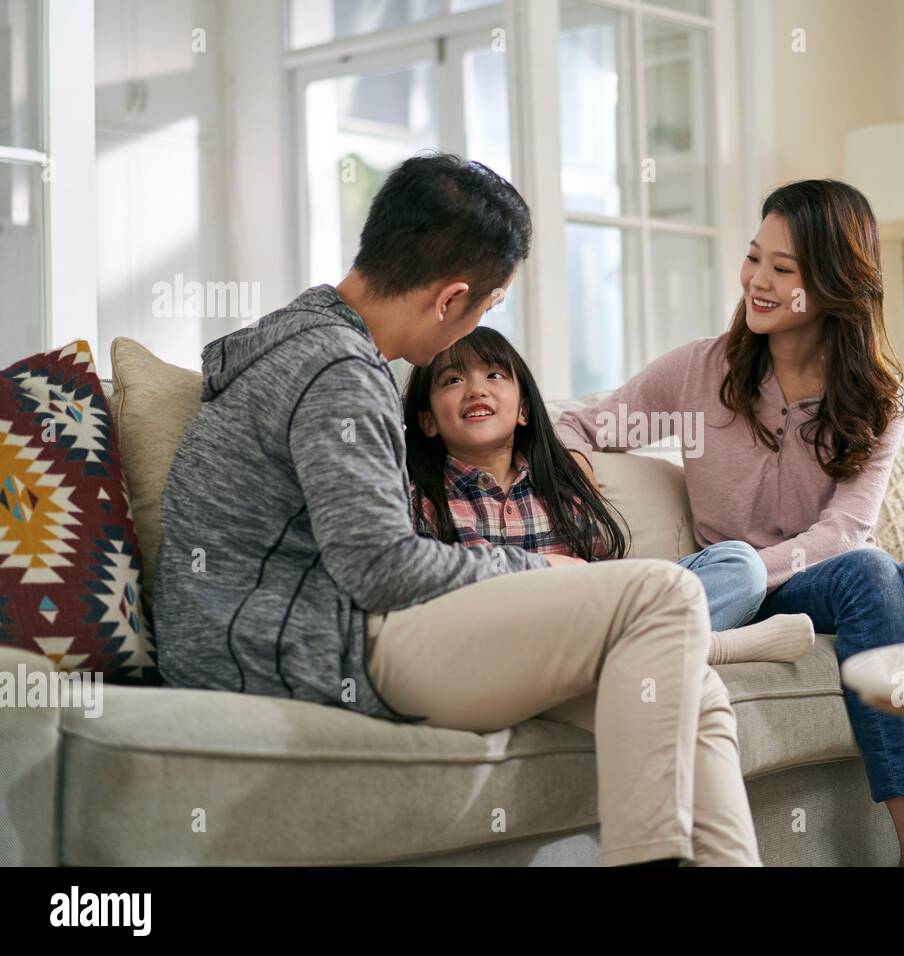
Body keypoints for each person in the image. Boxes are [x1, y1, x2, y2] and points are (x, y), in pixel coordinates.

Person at [153, 152, 761, 867]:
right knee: (665, 592)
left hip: (307, 633)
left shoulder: (307, 339)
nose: (477, 325)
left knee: (696, 690)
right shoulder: (339, 372)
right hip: (319, 647)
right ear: (450, 299)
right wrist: (537, 569)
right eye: (486, 306)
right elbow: (380, 568)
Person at [555, 180, 904, 867]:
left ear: (832, 285)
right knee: (868, 571)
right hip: (753, 593)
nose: (757, 282)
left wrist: (776, 563)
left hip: (833, 577)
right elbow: (577, 423)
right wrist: (575, 460)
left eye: (783, 269)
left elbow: (845, 529)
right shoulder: (699, 373)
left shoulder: (876, 397)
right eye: (753, 258)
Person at [403, 324, 815, 665]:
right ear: (428, 422)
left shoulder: (560, 483)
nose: (476, 389)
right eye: (453, 380)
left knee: (740, 564)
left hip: (591, 621)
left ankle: (646, 648)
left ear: (525, 410)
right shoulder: (422, 498)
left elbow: (606, 580)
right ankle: (703, 647)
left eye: (494, 375)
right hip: (508, 642)